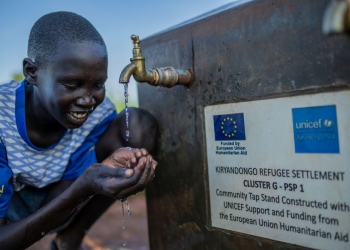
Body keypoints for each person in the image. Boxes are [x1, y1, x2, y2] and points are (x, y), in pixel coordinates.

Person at [0, 11, 158, 249]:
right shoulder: (3, 119)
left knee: (137, 125)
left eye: (98, 85)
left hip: (57, 197)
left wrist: (105, 172)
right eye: (72, 85)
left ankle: (70, 239)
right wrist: (83, 188)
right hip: (9, 210)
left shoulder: (99, 112)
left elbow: (75, 177)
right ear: (32, 72)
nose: (87, 100)